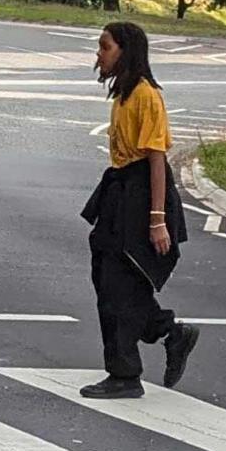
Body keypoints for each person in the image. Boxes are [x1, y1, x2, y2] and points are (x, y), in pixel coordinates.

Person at [79, 21, 201, 399]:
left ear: (125, 51)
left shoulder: (147, 96)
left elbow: (156, 161)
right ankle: (169, 331)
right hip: (119, 191)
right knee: (109, 279)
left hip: (141, 194)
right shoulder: (123, 96)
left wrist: (157, 220)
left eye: (105, 47)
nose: (99, 55)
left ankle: (125, 374)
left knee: (119, 286)